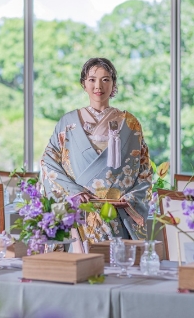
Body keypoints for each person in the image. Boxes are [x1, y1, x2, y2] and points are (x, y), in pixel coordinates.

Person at [40, 58, 153, 244]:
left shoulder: (130, 123)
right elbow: (48, 162)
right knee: (79, 267)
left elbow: (145, 169)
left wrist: (129, 199)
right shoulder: (67, 123)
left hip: (115, 212)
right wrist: (74, 191)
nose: (98, 85)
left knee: (117, 266)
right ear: (84, 83)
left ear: (113, 84)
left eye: (105, 79)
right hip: (79, 212)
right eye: (92, 79)